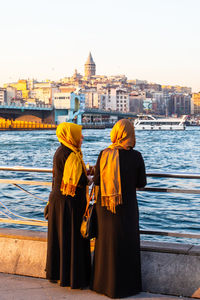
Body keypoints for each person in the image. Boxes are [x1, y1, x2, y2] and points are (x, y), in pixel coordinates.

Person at [91, 119, 146, 298]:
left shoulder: (104, 154)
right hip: (127, 208)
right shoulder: (136, 156)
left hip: (105, 207)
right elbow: (141, 183)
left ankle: (102, 285)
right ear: (130, 134)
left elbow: (98, 181)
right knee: (126, 244)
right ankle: (127, 287)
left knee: (106, 244)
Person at [46, 122, 91, 288]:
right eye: (79, 134)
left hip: (59, 201)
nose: (82, 137)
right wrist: (90, 179)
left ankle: (58, 274)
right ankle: (73, 277)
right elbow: (77, 181)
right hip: (69, 203)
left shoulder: (62, 151)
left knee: (61, 238)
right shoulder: (70, 154)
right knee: (72, 239)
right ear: (70, 136)